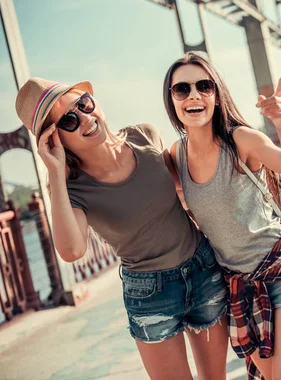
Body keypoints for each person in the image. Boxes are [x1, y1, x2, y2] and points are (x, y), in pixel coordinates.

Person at [15, 78, 230, 379]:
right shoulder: (73, 190)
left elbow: (192, 190)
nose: (85, 118)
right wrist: (54, 171)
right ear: (56, 139)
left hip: (202, 269)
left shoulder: (145, 135)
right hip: (150, 295)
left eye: (84, 104)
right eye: (69, 120)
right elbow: (72, 251)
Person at [163, 52, 281, 380]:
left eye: (203, 86)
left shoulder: (240, 140)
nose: (193, 95)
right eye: (182, 89)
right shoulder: (174, 157)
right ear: (172, 100)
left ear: (217, 97)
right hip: (238, 286)